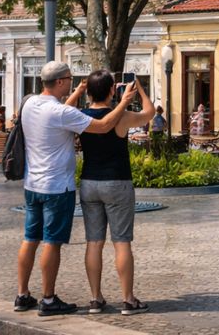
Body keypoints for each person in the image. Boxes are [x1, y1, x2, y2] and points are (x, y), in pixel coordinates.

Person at [14, 60, 136, 317]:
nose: (72, 82)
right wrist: (124, 103)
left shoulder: (29, 104)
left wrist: (79, 93)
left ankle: (22, 294)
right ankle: (48, 299)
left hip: (32, 184)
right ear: (60, 82)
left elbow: (59, 113)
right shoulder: (61, 113)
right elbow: (103, 126)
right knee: (51, 242)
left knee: (30, 238)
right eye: (69, 78)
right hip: (56, 187)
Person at [68, 69, 153, 316]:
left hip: (89, 183)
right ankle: (128, 299)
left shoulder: (80, 116)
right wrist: (139, 88)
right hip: (117, 182)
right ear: (110, 91)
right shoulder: (122, 117)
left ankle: (95, 299)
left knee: (93, 242)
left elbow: (63, 109)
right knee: (121, 241)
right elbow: (149, 113)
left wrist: (78, 91)